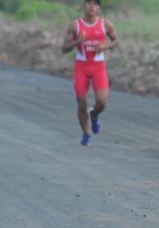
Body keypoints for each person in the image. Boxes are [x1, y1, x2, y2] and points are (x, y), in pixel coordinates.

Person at [61, 0, 118, 146]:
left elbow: (116, 41)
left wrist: (105, 47)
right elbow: (64, 49)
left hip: (98, 67)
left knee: (102, 101)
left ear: (99, 9)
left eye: (95, 4)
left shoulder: (106, 24)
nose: (91, 7)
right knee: (81, 103)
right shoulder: (76, 26)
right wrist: (76, 42)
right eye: (88, 3)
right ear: (84, 6)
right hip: (82, 67)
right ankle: (86, 133)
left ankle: (94, 114)